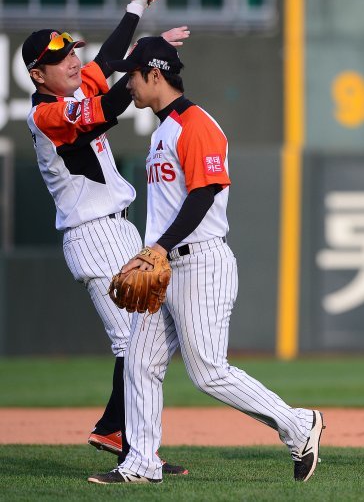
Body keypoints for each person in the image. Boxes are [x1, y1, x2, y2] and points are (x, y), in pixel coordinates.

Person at [87, 36, 325, 484]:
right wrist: (154, 252)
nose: (127, 84)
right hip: (162, 266)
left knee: (209, 372)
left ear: (154, 75)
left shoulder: (195, 123)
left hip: (200, 263)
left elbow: (205, 193)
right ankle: (141, 464)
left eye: (132, 75)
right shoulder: (161, 130)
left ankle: (299, 424)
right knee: (139, 363)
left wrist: (157, 248)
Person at [22, 0, 190, 475]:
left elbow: (106, 60)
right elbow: (110, 102)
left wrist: (138, 2)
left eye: (72, 51)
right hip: (94, 232)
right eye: (60, 59)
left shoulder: (71, 91)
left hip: (116, 229)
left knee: (147, 339)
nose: (74, 61)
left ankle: (124, 435)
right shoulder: (47, 115)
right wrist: (145, 62)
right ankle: (129, 445)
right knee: (134, 344)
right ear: (37, 75)